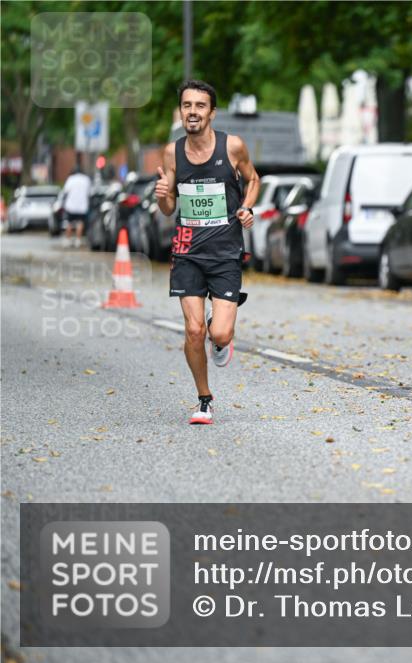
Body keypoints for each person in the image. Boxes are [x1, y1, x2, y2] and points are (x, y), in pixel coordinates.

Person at [155, 80, 260, 425]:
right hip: (186, 251)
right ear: (181, 112)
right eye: (187, 106)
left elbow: (254, 179)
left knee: (218, 334)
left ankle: (221, 337)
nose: (193, 112)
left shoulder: (232, 146)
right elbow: (169, 208)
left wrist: (246, 208)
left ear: (212, 113)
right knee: (194, 330)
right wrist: (161, 195)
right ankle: (204, 399)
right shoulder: (172, 152)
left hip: (226, 251)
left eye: (200, 106)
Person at [61, 165, 91, 248]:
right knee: (80, 223)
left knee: (69, 223)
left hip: (71, 205)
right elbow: (89, 192)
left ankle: (68, 240)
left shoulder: (71, 179)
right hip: (82, 206)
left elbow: (65, 191)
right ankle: (78, 240)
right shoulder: (86, 179)